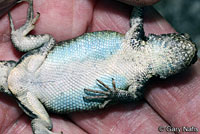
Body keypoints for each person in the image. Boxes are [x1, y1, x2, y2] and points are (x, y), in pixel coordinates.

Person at [0, 0, 199, 133]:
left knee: (47, 42)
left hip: (34, 73)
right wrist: (114, 95)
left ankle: (19, 40)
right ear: (166, 74)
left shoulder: (136, 39)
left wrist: (114, 95)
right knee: (44, 123)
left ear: (163, 38)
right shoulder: (138, 82)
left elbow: (138, 10)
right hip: (35, 88)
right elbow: (131, 96)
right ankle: (18, 40)